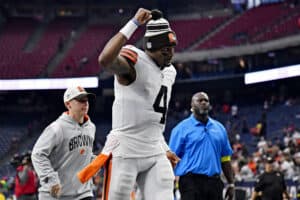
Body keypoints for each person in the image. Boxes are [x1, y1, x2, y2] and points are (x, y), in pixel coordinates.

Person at [80, 8, 180, 200]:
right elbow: (105, 60)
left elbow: (153, 117)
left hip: (154, 150)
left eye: (172, 48)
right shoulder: (135, 63)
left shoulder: (170, 72)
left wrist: (164, 146)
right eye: (165, 49)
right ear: (150, 46)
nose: (170, 54)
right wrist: (133, 23)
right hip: (126, 150)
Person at [31, 86, 96, 200]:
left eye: (86, 100)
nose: (85, 103)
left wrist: (96, 161)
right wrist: (51, 178)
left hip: (83, 193)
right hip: (55, 195)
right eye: (80, 100)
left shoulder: (91, 127)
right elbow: (37, 154)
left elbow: (82, 153)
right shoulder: (57, 128)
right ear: (68, 104)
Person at [169, 92, 235, 200]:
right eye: (200, 100)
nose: (204, 102)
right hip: (190, 183)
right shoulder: (180, 129)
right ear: (192, 105)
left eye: (206, 100)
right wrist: (169, 185)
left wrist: (231, 184)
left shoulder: (220, 128)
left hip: (214, 182)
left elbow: (225, 159)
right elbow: (171, 159)